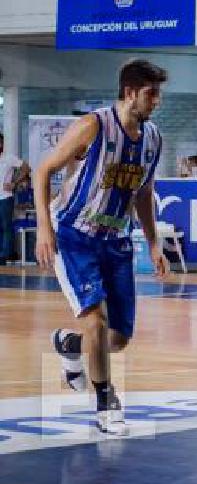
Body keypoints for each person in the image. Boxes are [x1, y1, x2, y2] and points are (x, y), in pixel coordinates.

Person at [34, 59, 170, 435]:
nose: (157, 101)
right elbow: (42, 171)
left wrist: (155, 244)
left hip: (117, 240)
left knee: (118, 339)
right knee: (96, 320)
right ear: (130, 92)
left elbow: (144, 193)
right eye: (151, 93)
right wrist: (44, 228)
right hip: (75, 235)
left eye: (158, 93)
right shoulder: (94, 125)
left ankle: (69, 345)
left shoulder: (153, 139)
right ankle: (105, 401)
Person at [0, 132, 31, 265]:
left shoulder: (9, 158)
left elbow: (26, 168)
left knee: (6, 226)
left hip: (5, 197)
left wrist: (14, 183)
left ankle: (6, 254)